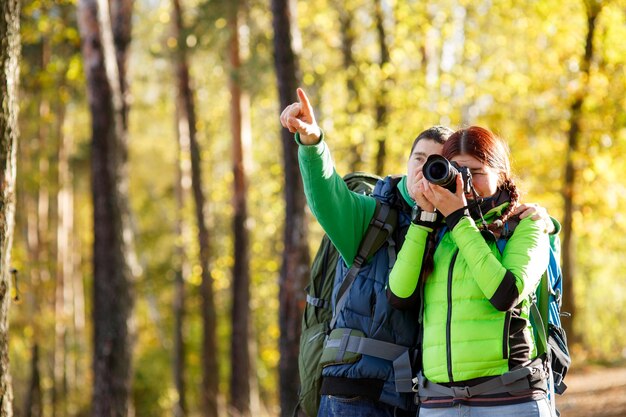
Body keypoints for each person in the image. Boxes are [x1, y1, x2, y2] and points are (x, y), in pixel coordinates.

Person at [280, 89, 553, 417]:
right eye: (420, 159)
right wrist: (313, 144)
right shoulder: (372, 216)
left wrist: (543, 219)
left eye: (438, 164)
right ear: (406, 163)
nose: (427, 170)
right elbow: (327, 196)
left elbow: (508, 268)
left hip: (419, 396)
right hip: (355, 392)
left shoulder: (457, 228)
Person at [388, 125, 554, 417]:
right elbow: (400, 296)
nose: (466, 183)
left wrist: (458, 218)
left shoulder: (525, 225)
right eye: (456, 171)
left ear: (500, 174)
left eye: (476, 172)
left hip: (509, 400)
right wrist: (424, 218)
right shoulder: (438, 229)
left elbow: (505, 294)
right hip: (439, 403)